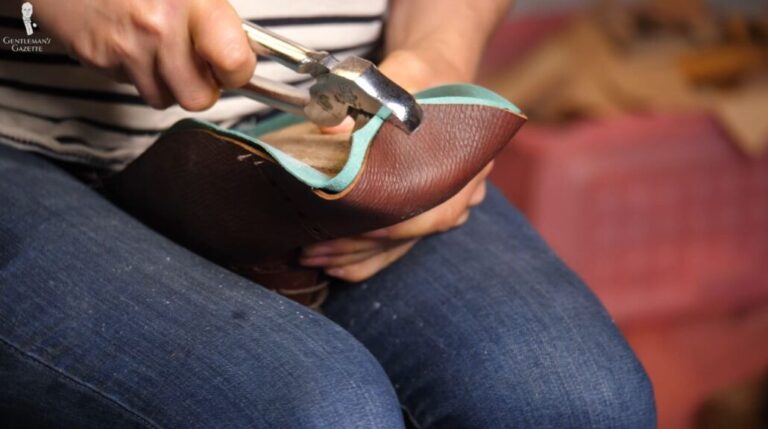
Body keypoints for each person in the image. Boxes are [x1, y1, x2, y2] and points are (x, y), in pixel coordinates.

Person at [0, 0, 656, 427]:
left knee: (579, 402)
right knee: (319, 409)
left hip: (332, 131)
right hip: (23, 142)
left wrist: (437, 59)